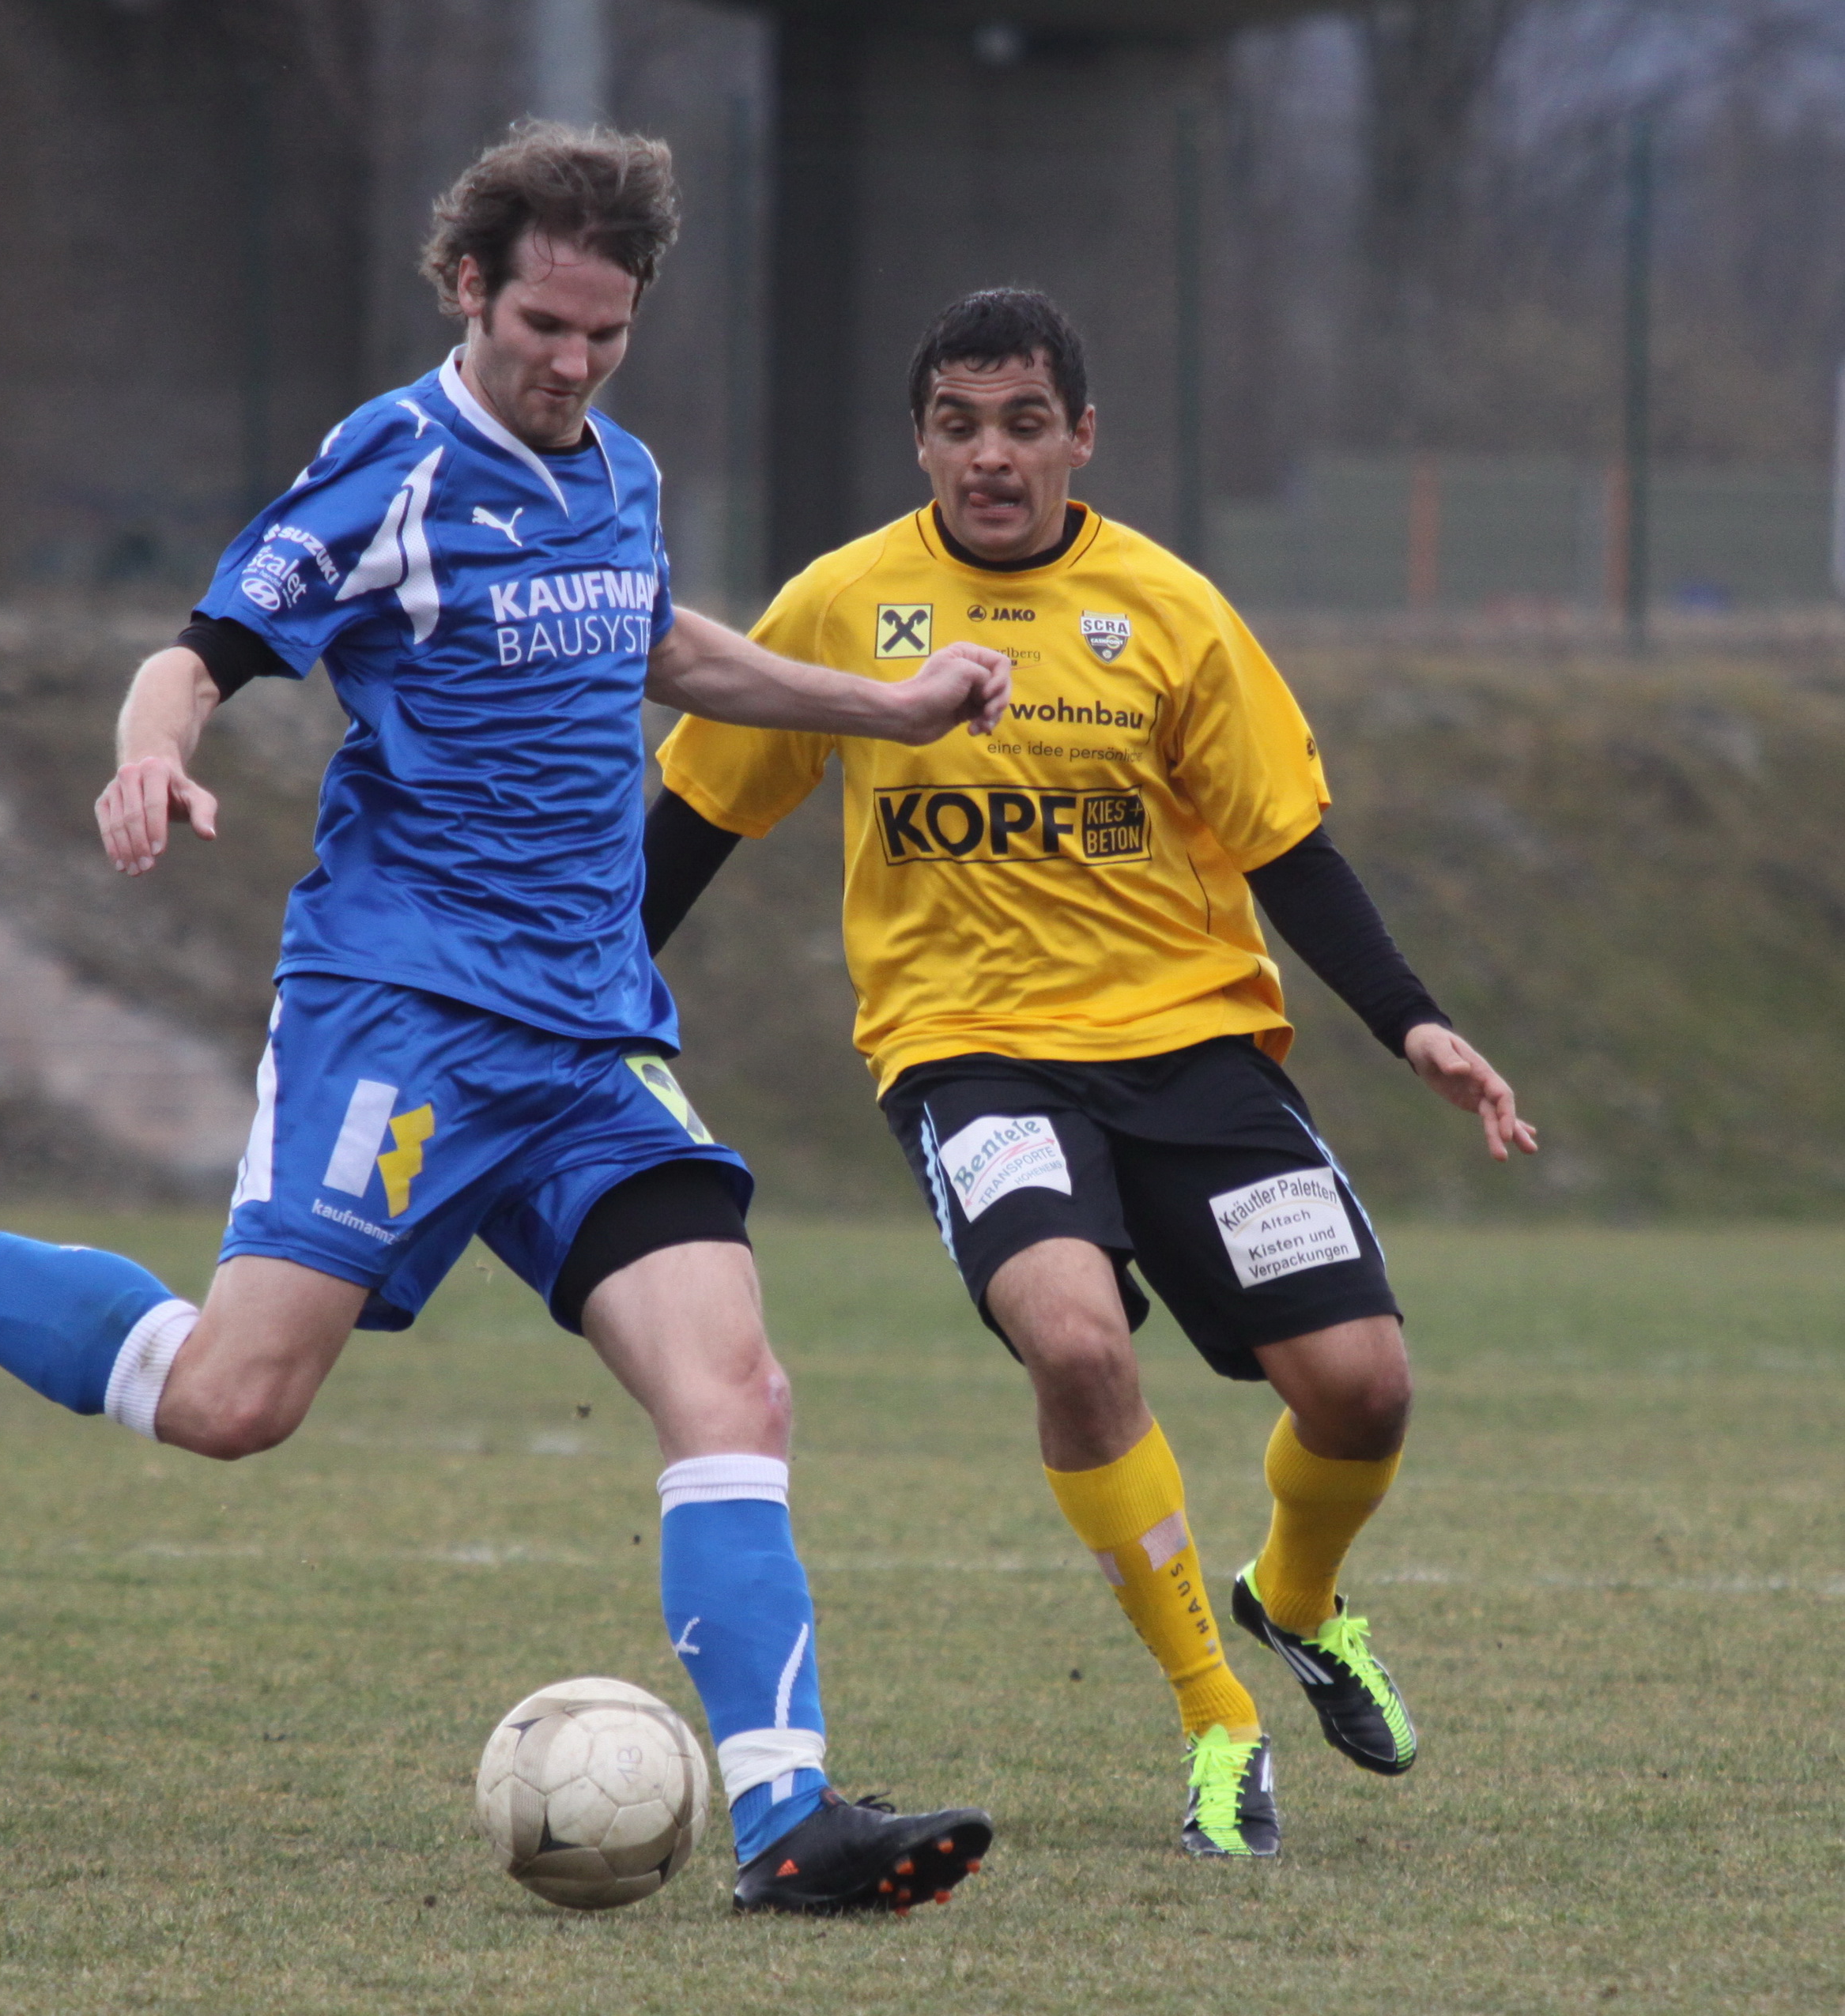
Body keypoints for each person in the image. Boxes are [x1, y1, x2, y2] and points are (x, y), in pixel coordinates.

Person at [0, 126, 1005, 1913]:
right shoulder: (392, 464)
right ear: (468, 287)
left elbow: (656, 645)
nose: (573, 362)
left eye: (605, 332)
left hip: (589, 1038)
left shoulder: (618, 471)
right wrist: (149, 759)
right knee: (231, 1401)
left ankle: (786, 1823)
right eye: (542, 323)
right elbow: (199, 651)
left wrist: (884, 707)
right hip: (403, 1016)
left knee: (737, 1387)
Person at [643, 288, 1538, 1858]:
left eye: (1022, 424)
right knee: (1072, 1341)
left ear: (1081, 438)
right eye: (957, 426)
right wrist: (572, 1000)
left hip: (1195, 1053)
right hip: (972, 1056)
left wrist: (1411, 1021)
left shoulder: (1167, 610)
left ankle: (1296, 1598)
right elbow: (693, 826)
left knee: (1363, 1389)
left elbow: (1288, 849)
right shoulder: (843, 604)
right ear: (920, 440)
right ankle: (1217, 1713)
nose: (989, 456)